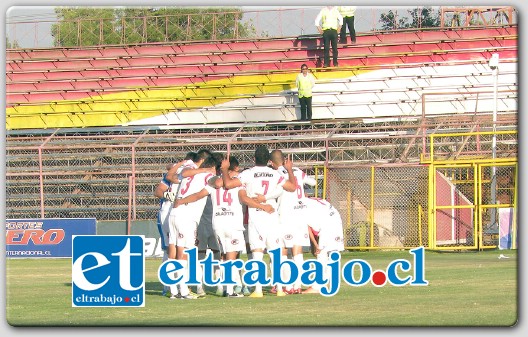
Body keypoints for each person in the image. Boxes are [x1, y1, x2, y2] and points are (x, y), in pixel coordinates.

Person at [228, 146, 298, 297]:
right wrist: (289, 169)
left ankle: (258, 290)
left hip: (257, 214)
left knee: (257, 252)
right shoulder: (275, 174)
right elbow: (293, 187)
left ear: (253, 159)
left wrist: (225, 169)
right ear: (268, 161)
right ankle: (279, 289)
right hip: (272, 214)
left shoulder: (248, 173)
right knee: (275, 253)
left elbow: (228, 185)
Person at [270, 149, 316, 294]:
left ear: (271, 163)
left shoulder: (275, 174)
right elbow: (313, 182)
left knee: (283, 250)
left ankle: (286, 285)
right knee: (298, 250)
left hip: (285, 214)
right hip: (301, 213)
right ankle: (297, 286)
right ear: (284, 159)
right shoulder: (297, 170)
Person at [301, 197, 345, 294]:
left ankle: (317, 286)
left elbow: (307, 228)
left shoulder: (300, 206)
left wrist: (316, 245)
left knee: (322, 255)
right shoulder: (311, 201)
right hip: (335, 218)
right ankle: (323, 282)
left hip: (327, 223)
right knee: (332, 253)